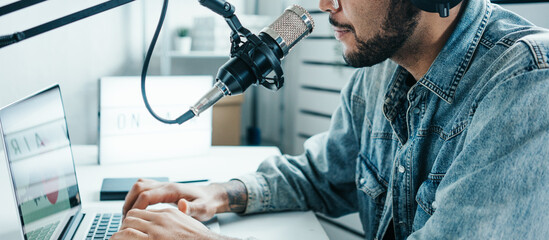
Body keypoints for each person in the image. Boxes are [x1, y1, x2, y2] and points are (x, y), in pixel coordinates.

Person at [111, 0, 549, 239]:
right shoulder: (385, 63)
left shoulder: (530, 86)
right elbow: (323, 176)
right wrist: (219, 193)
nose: (325, 4)